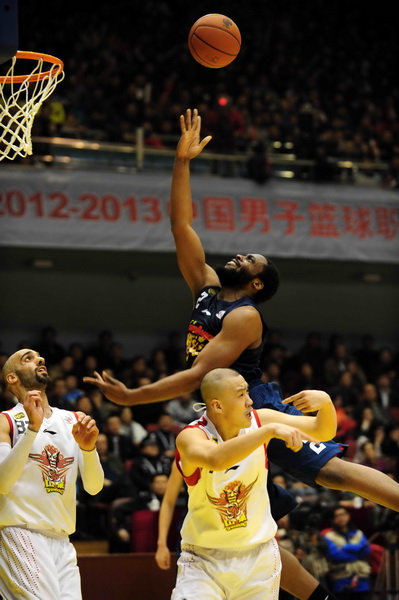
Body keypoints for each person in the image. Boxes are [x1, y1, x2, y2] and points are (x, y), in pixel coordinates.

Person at [84, 108, 399, 598]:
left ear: (256, 282)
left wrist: (131, 397)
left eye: (250, 260)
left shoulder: (246, 315)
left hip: (248, 403)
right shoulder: (206, 288)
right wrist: (181, 163)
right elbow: (180, 226)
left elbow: (199, 374)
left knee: (333, 474)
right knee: (262, 527)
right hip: (215, 414)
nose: (238, 255)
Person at [169, 367, 337, 600]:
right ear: (217, 406)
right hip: (204, 561)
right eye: (241, 395)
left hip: (259, 558)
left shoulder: (260, 420)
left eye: (247, 393)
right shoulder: (191, 436)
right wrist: (267, 432)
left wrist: (326, 404)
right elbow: (216, 459)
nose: (250, 401)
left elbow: (322, 431)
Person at [0, 348, 104, 600]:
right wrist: (32, 431)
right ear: (12, 378)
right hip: (20, 531)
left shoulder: (73, 420)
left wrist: (88, 449)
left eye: (39, 357)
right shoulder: (6, 421)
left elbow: (93, 487)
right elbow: (2, 484)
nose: (40, 359)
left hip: (62, 538)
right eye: (28, 358)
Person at [321, 506, 373, 600]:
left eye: (343, 514)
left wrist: (345, 547)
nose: (341, 518)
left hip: (362, 579)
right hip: (341, 580)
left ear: (348, 516)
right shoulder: (329, 536)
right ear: (333, 519)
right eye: (337, 516)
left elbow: (366, 550)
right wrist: (357, 551)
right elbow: (335, 555)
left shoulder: (358, 533)